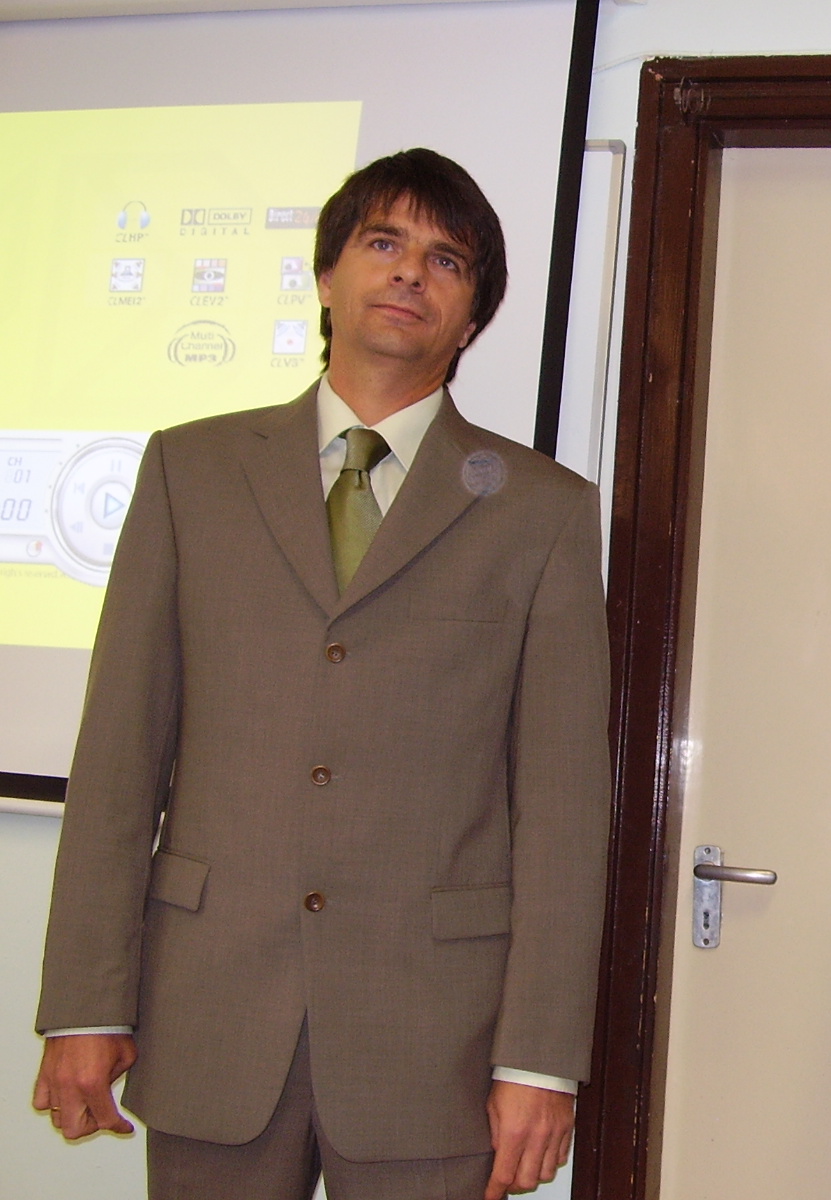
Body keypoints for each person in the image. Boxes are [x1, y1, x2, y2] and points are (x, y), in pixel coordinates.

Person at [32, 148, 612, 1200]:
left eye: (447, 260)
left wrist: (538, 1060)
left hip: (435, 1040)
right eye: (384, 243)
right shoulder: (190, 472)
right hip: (210, 1012)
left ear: (472, 317)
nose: (410, 273)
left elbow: (564, 810)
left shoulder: (542, 512)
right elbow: (119, 757)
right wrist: (85, 1002)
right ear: (327, 273)